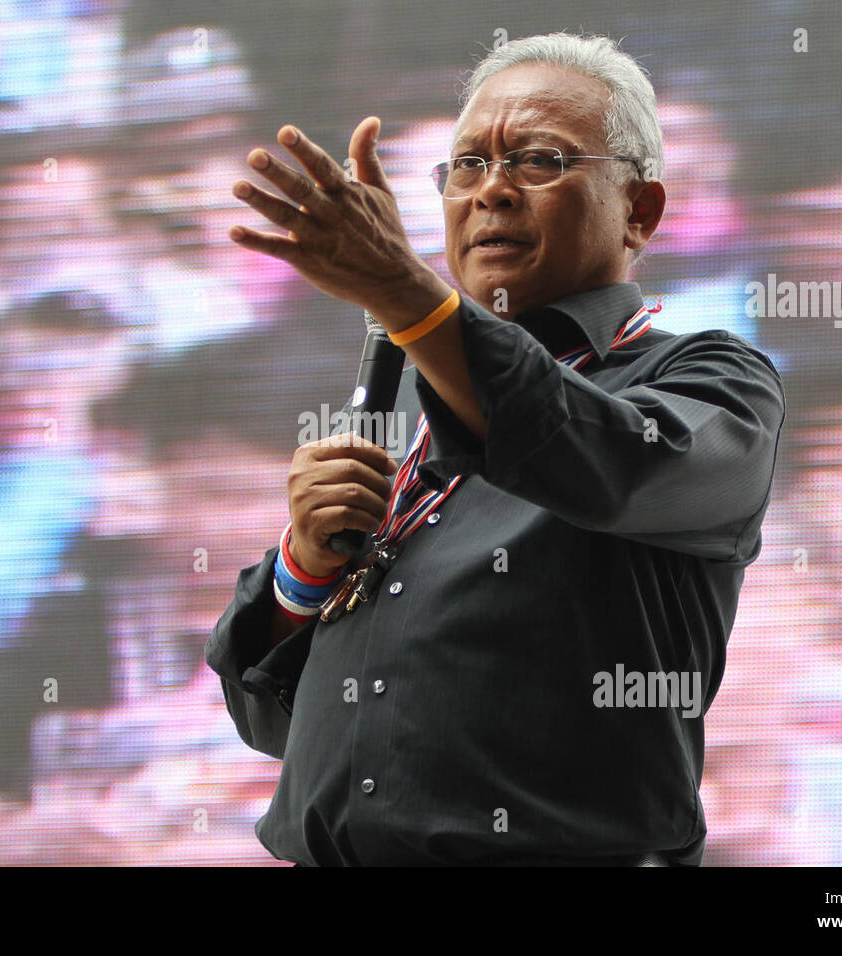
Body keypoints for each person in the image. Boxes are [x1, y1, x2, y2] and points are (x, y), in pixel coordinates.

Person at [206, 32, 785, 866]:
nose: (492, 191)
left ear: (640, 210)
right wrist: (301, 574)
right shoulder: (406, 407)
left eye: (539, 160)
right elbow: (275, 725)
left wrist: (402, 287)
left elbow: (599, 457)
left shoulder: (711, 378)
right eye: (467, 165)